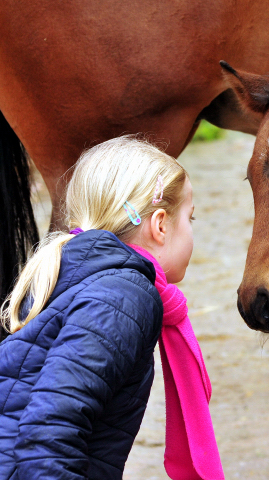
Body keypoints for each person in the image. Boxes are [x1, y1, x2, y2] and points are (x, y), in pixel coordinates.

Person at [0, 136, 225, 480]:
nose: (191, 230)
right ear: (161, 225)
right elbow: (48, 439)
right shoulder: (123, 295)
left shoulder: (72, 276)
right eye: (190, 218)